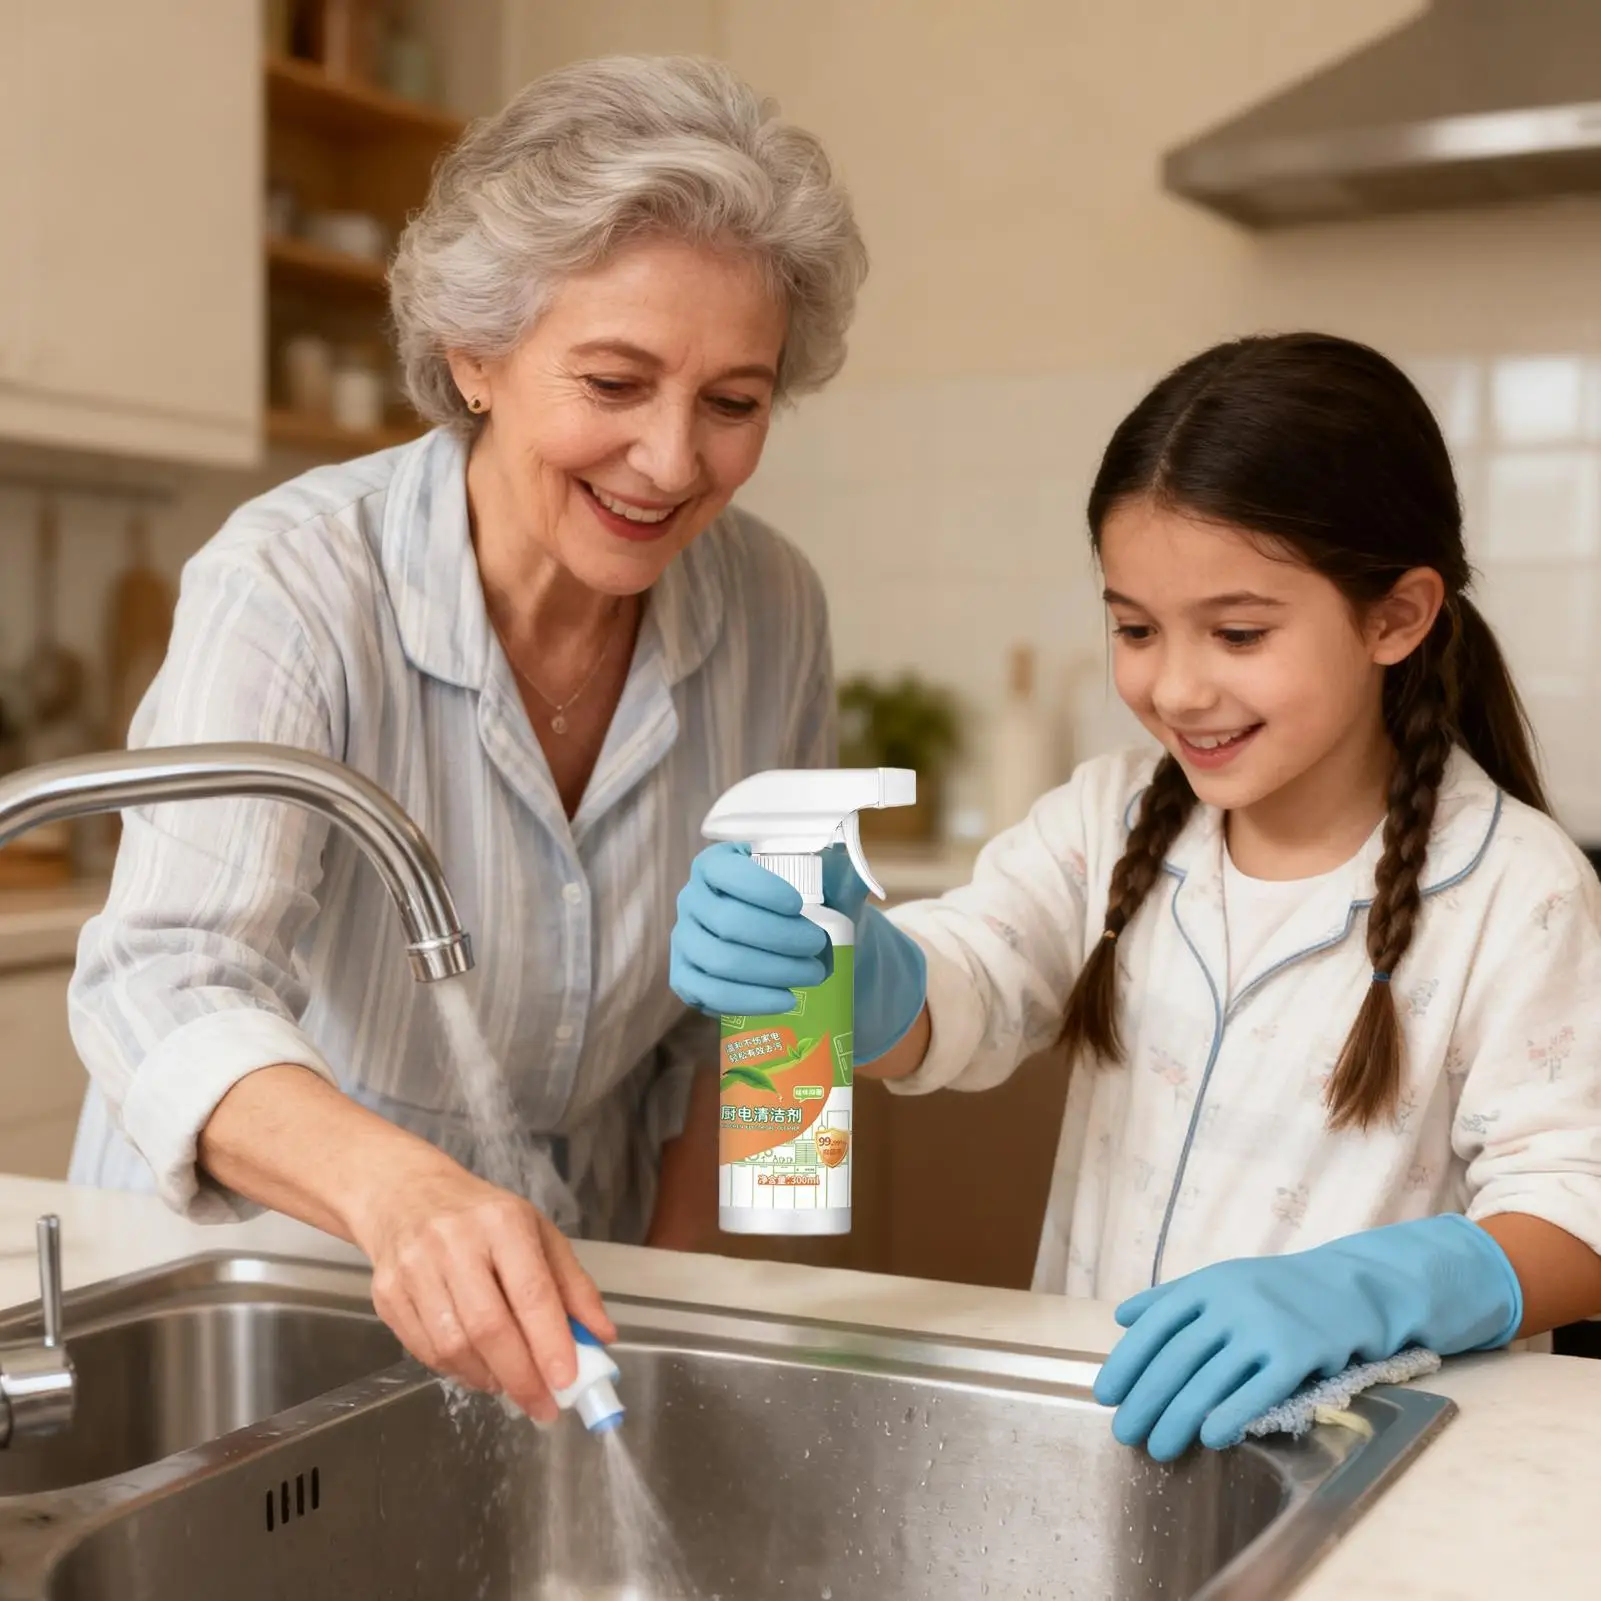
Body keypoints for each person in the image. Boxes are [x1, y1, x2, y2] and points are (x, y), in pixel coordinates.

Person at [67, 55, 865, 1422]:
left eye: (732, 404)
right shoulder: (297, 582)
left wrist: (686, 1306)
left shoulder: (775, 605)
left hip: (570, 1294)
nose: (672, 461)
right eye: (614, 382)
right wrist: (404, 1194)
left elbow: (758, 1028)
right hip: (262, 1279)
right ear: (474, 357)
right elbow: (161, 985)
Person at [671, 332, 1601, 1460]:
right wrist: (860, 972)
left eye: (1238, 631)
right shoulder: (1107, 818)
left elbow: (1575, 1210)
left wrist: (1376, 1285)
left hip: (1382, 1473)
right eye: (1133, 627)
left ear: (1394, 617)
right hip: (1109, 1442)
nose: (1173, 684)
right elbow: (972, 979)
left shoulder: (1517, 887)